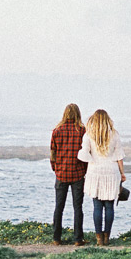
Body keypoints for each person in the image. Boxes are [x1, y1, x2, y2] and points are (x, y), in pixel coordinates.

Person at [77, 109, 126, 246]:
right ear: (107, 119)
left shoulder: (89, 135)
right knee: (109, 207)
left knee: (97, 207)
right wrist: (122, 173)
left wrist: (91, 161)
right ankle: (107, 237)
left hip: (95, 172)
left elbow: (83, 154)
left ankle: (99, 239)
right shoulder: (114, 134)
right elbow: (119, 157)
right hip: (111, 172)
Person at [50, 103, 87, 246]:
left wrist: (56, 168)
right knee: (78, 207)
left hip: (61, 174)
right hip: (77, 174)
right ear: (78, 114)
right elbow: (85, 154)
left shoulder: (57, 130)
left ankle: (56, 238)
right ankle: (78, 239)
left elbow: (53, 152)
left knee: (59, 206)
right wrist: (85, 170)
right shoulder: (82, 131)